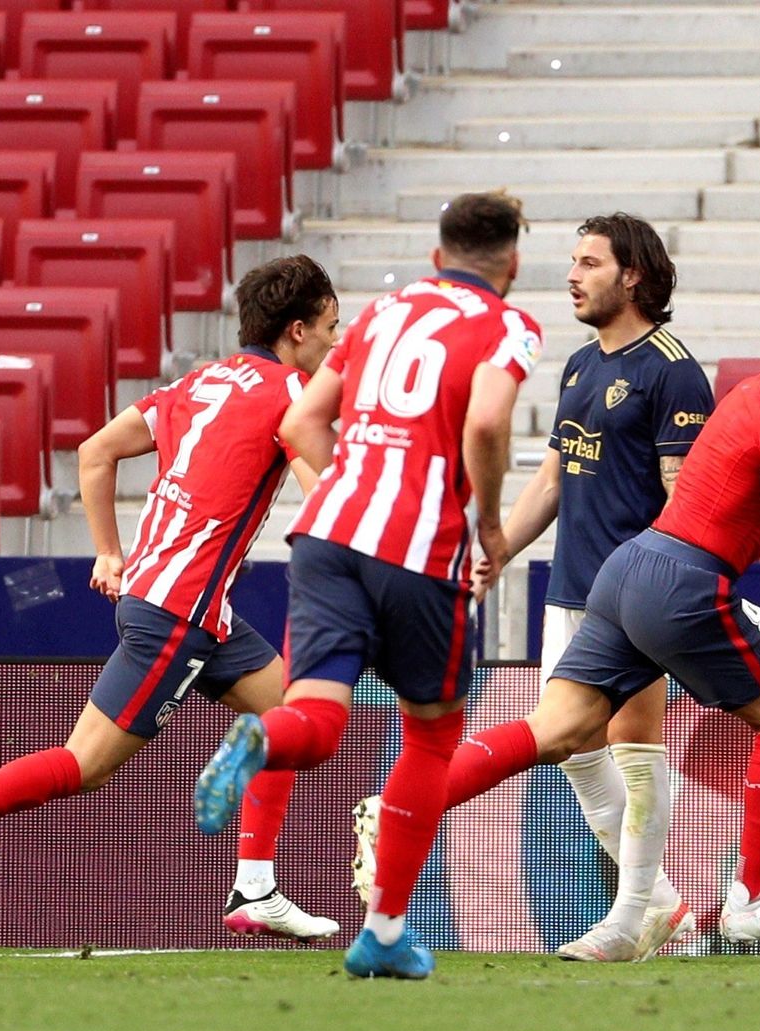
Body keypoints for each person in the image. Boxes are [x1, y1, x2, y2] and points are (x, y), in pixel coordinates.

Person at [417, 283, 760, 963]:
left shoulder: (757, 396)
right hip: (685, 584)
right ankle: (753, 898)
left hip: (627, 572)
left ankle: (403, 808)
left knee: (556, 729)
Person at [192, 191, 543, 980]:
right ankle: (383, 929)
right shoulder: (508, 324)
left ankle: (261, 737)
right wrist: (489, 524)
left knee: (314, 720)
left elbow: (301, 424)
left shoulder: (380, 313)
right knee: (431, 735)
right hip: (420, 548)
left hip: (326, 536)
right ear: (512, 264)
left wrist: (350, 489)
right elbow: (488, 422)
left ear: (436, 256)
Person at [349, 213, 710, 961]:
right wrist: (497, 552)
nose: (572, 276)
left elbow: (685, 498)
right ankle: (662, 904)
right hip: (569, 590)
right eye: (573, 261)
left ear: (633, 276)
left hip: (634, 593)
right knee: (574, 750)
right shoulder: (580, 366)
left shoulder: (672, 369)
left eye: (589, 263)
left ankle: (632, 914)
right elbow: (551, 479)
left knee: (630, 745)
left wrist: (657, 583)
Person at [0, 255, 343, 942]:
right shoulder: (293, 394)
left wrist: (109, 551)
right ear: (297, 330)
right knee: (84, 766)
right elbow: (327, 495)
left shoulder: (198, 382)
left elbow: (95, 451)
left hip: (176, 600)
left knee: (290, 716)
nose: (332, 342)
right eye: (330, 327)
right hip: (179, 613)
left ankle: (255, 887)